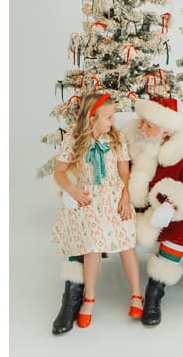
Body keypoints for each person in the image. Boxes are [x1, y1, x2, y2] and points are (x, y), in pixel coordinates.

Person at [50, 93, 138, 333]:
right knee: (92, 244)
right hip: (89, 196)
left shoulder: (116, 137)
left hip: (114, 194)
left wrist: (125, 196)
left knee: (125, 240)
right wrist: (72, 189)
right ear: (92, 118)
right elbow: (59, 172)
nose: (113, 121)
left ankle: (137, 294)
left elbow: (124, 172)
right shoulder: (75, 138)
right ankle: (88, 298)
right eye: (108, 117)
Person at [123, 96, 183, 327]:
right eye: (142, 121)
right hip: (131, 204)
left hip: (165, 209)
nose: (141, 128)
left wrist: (171, 205)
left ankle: (155, 291)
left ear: (166, 133)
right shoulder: (128, 143)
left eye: (149, 126)